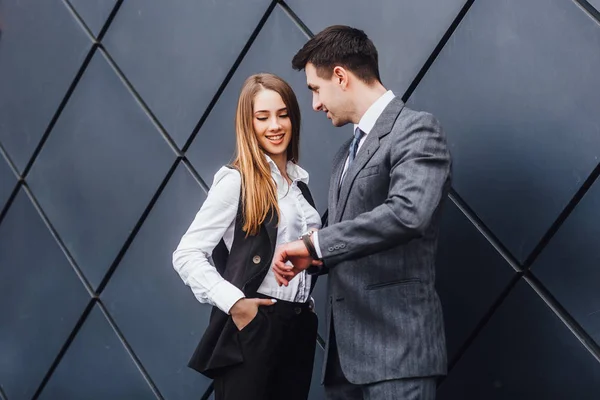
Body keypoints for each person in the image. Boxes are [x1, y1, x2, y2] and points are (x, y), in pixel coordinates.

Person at [272, 25, 452, 400]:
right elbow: (347, 237)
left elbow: (408, 213)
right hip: (344, 364)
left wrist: (315, 244)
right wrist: (313, 260)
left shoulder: (416, 130)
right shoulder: (344, 155)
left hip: (398, 356)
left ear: (340, 76)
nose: (315, 104)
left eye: (315, 90)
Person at [172, 73, 321, 400]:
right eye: (262, 117)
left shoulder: (299, 186)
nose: (275, 125)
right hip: (256, 324)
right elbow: (186, 254)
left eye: (283, 114)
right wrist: (237, 305)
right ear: (248, 123)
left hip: (297, 328)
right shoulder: (237, 181)